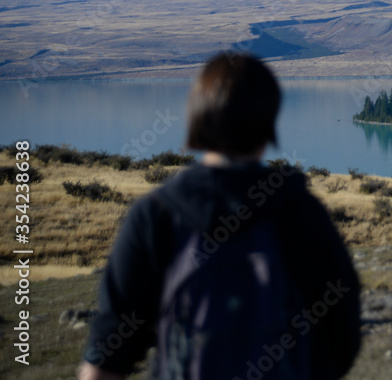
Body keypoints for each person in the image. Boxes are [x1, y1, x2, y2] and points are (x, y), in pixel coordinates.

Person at [79, 52, 361, 379]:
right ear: (269, 119)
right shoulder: (299, 211)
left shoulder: (156, 215)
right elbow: (343, 332)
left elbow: (106, 356)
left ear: (198, 115)